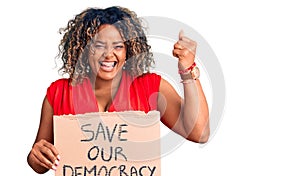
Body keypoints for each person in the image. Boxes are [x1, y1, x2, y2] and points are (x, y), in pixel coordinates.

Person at [27, 6, 209, 174]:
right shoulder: (59, 92)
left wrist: (187, 69)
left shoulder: (150, 87)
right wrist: (35, 155)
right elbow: (39, 164)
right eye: (98, 45)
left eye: (118, 46)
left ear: (128, 51)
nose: (108, 54)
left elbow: (199, 133)